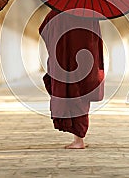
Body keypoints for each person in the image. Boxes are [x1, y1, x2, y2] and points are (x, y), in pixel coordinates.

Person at [39, 10, 105, 149]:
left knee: (69, 93)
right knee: (81, 95)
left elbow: (44, 30)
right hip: (85, 59)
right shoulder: (90, 12)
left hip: (63, 60)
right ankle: (79, 138)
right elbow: (95, 38)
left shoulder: (56, 12)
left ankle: (78, 141)